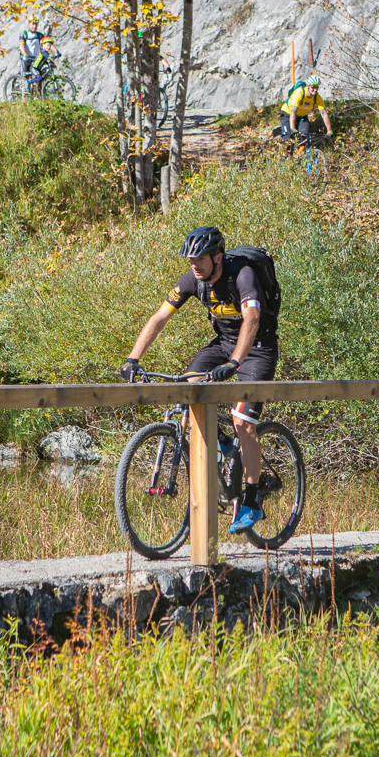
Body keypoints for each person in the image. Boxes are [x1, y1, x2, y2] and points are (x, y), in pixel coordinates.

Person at [121, 226, 282, 535]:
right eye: (190, 259)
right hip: (222, 344)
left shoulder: (242, 275)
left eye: (200, 259)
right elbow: (159, 318)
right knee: (186, 389)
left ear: (217, 257)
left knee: (243, 421)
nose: (194, 265)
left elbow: (252, 319)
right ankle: (220, 442)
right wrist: (133, 358)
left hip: (258, 350)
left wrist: (236, 362)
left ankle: (250, 500)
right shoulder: (192, 281)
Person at [279, 75, 332, 144]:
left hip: (302, 116)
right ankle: (286, 150)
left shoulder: (317, 97)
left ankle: (303, 153)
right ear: (307, 86)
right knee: (288, 138)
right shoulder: (299, 93)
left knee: (305, 138)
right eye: (313, 87)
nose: (315, 90)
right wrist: (293, 128)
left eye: (317, 87)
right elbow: (293, 112)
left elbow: (324, 114)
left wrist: (329, 131)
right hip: (288, 114)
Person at [19, 17, 57, 88]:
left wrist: (56, 51)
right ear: (29, 24)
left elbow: (48, 43)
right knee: (25, 79)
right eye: (33, 24)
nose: (34, 26)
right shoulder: (24, 34)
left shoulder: (39, 35)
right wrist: (25, 55)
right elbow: (22, 46)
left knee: (39, 77)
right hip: (26, 59)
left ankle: (38, 95)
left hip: (36, 59)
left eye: (36, 24)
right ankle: (24, 98)